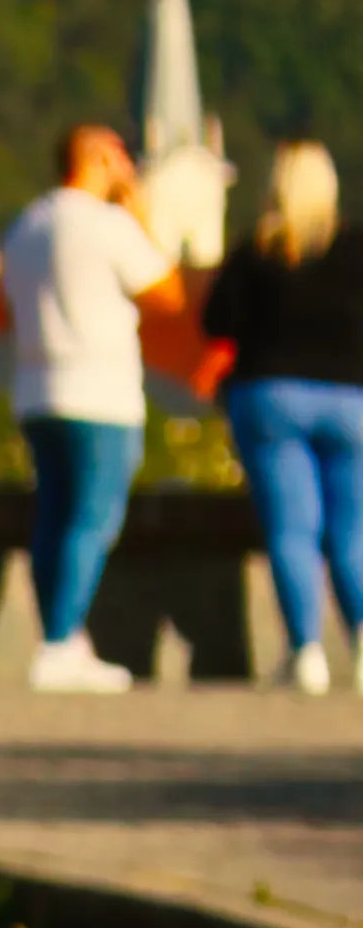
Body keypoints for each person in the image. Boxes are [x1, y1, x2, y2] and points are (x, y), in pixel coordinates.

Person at [0, 124, 184, 693]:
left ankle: (62, 635)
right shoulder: (108, 226)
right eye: (119, 153)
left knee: (53, 517)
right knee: (93, 518)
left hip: (38, 392)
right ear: (95, 158)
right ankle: (61, 642)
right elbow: (167, 295)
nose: (128, 162)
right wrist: (139, 209)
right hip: (101, 394)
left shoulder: (28, 227)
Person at [198, 142, 363, 698]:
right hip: (351, 398)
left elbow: (215, 321)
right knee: (353, 531)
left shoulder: (257, 251)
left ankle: (307, 652)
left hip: (270, 395)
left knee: (293, 528)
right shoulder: (355, 248)